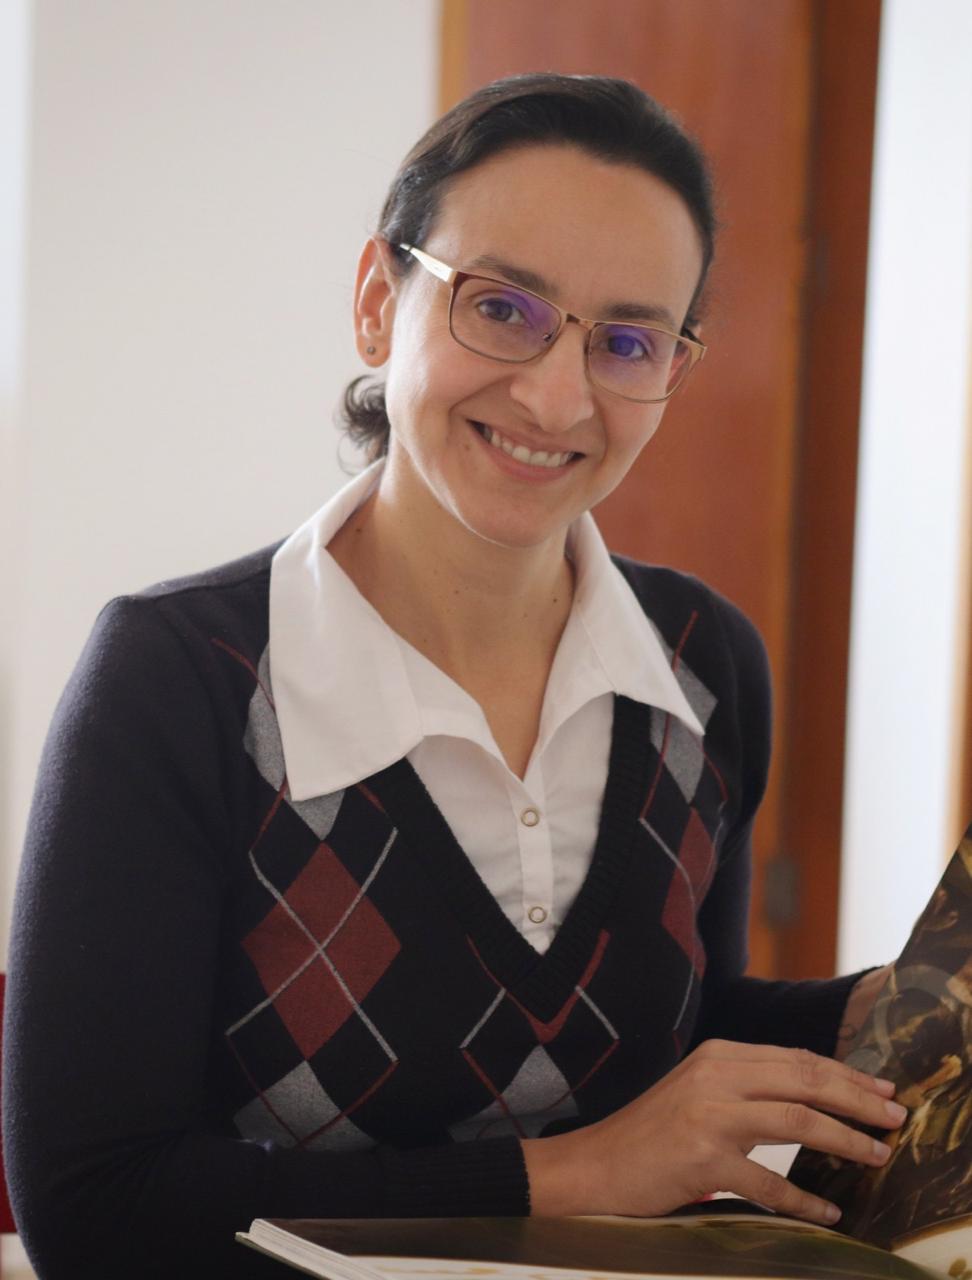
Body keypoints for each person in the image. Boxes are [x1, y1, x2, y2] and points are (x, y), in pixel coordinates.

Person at [3, 73, 901, 1279]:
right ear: (380, 304)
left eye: (627, 340)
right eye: (502, 308)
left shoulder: (703, 664)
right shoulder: (180, 681)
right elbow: (93, 1209)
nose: (557, 395)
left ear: (673, 372)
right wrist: (572, 1174)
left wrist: (885, 1012)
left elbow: (672, 1022)